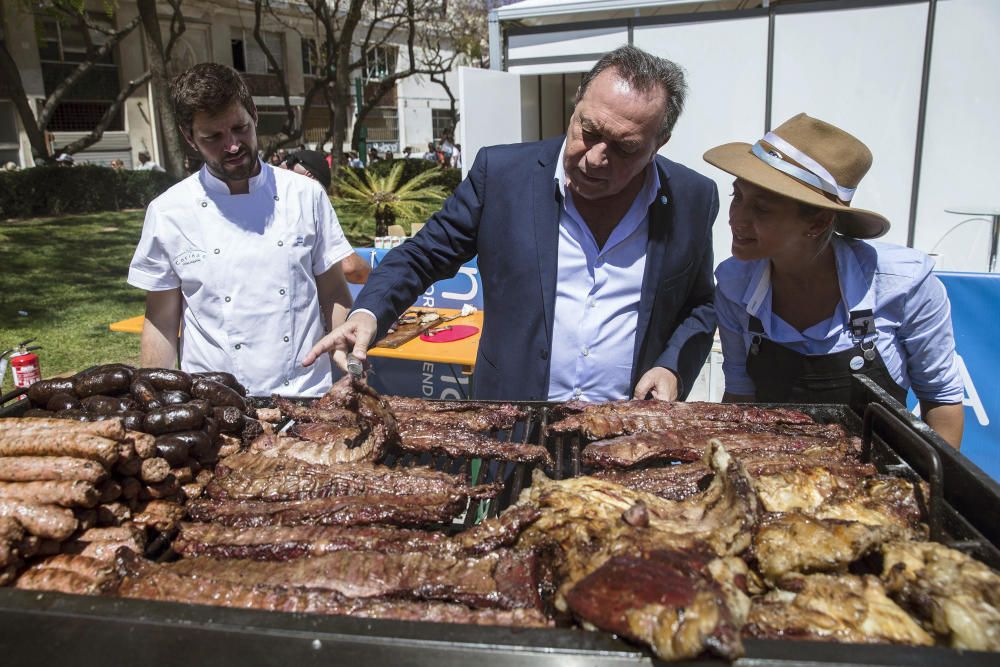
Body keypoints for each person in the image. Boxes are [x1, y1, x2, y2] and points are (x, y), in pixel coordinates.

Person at [304, 45, 719, 403]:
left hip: (626, 439)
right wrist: (370, 310)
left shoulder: (692, 198)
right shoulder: (501, 175)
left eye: (624, 148)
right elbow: (422, 256)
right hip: (515, 431)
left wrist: (672, 367)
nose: (595, 158)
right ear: (576, 103)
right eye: (588, 130)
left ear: (658, 144)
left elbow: (700, 304)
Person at [705, 113, 964, 447]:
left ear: (818, 221)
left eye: (762, 208)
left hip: (876, 482)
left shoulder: (904, 284)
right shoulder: (733, 284)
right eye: (737, 197)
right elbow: (740, 396)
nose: (736, 218)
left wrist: (934, 493)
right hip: (771, 476)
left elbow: (941, 402)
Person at [127, 63, 355, 397]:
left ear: (254, 115)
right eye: (214, 137)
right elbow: (161, 320)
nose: (232, 146)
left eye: (240, 128)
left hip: (305, 392)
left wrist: (343, 351)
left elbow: (333, 290)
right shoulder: (168, 212)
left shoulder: (305, 194)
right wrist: (151, 399)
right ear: (190, 138)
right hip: (212, 401)